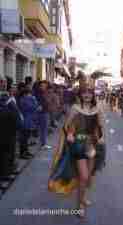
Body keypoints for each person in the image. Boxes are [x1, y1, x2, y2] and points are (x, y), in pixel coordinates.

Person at [48, 86, 106, 218]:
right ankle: (79, 205)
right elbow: (67, 125)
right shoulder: (75, 108)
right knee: (84, 176)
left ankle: (83, 197)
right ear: (80, 95)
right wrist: (70, 134)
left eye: (89, 93)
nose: (87, 95)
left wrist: (102, 138)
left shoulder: (97, 109)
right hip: (78, 146)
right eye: (84, 92)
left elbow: (100, 127)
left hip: (92, 146)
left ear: (92, 95)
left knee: (88, 177)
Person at [0, 77, 19, 180]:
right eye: (2, 82)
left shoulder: (7, 96)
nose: (4, 84)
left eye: (5, 83)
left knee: (9, 152)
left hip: (10, 129)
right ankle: (4, 174)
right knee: (4, 153)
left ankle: (8, 171)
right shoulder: (4, 98)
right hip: (4, 129)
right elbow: (5, 113)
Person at [19, 87, 39, 159]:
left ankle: (26, 151)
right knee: (24, 138)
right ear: (25, 94)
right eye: (29, 93)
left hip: (29, 121)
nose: (30, 95)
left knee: (26, 137)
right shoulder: (24, 100)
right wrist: (33, 99)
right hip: (25, 121)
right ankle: (23, 153)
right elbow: (33, 107)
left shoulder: (26, 99)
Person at [35, 81, 51, 150]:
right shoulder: (39, 94)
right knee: (43, 129)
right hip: (42, 113)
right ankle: (43, 144)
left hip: (45, 112)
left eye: (45, 86)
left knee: (43, 129)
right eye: (43, 86)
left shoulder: (44, 93)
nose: (44, 87)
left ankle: (43, 143)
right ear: (40, 86)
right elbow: (40, 104)